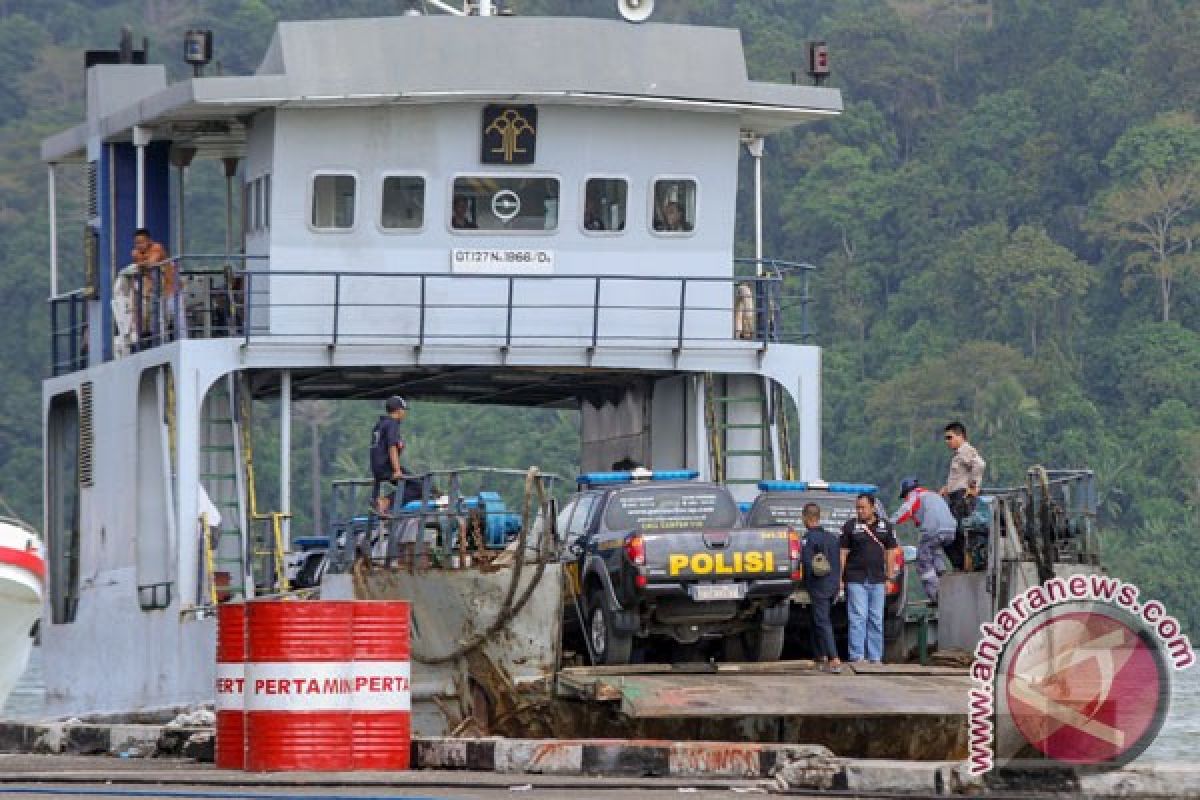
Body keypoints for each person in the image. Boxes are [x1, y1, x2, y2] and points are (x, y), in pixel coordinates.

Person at [841, 494, 900, 664]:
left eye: (863, 508)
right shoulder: (850, 526)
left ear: (873, 508)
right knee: (858, 617)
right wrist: (840, 578)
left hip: (878, 579)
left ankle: (875, 657)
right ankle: (857, 656)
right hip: (855, 578)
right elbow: (842, 553)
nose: (860, 511)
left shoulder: (885, 527)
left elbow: (891, 553)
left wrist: (889, 578)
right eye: (858, 508)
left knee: (876, 619)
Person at [892, 477, 957, 604]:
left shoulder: (915, 495)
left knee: (923, 560)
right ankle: (943, 584)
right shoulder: (933, 495)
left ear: (906, 492)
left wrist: (888, 523)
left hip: (934, 529)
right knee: (935, 552)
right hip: (950, 530)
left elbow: (906, 510)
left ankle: (936, 596)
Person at [801, 502, 843, 673]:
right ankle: (820, 655)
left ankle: (834, 659)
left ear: (806, 518)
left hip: (819, 586)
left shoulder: (808, 539)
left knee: (822, 621)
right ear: (818, 517)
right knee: (817, 620)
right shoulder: (832, 538)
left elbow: (807, 563)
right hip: (833, 585)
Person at [130, 228, 178, 341]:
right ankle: (160, 341)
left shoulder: (157, 248)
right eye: (137, 243)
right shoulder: (136, 253)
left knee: (175, 318)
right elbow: (142, 270)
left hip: (171, 289)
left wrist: (140, 264)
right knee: (158, 319)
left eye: (142, 242)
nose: (139, 245)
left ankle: (176, 339)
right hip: (156, 292)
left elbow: (152, 263)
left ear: (149, 241)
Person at [369, 396, 409, 516]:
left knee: (411, 483)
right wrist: (397, 471)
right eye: (404, 410)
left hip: (377, 469)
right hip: (387, 468)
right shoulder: (393, 424)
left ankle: (375, 499)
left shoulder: (379, 425)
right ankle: (386, 501)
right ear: (399, 410)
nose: (405, 414)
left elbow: (379, 449)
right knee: (419, 486)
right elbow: (391, 447)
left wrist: (399, 448)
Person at [940, 421, 986, 520]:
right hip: (955, 499)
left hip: (961, 498)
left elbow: (979, 464)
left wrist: (973, 486)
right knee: (956, 530)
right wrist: (948, 488)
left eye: (949, 437)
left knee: (961, 530)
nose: (947, 441)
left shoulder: (966, 450)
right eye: (946, 438)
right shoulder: (958, 454)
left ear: (960, 436)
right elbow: (960, 476)